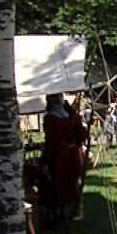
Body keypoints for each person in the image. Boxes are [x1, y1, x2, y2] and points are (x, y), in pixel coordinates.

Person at [41, 94, 88, 225]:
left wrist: (45, 161)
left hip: (58, 156)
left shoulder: (51, 118)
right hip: (71, 154)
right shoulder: (72, 117)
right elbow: (82, 136)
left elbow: (50, 141)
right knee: (70, 183)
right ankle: (68, 210)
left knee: (55, 184)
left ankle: (60, 212)